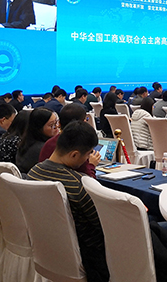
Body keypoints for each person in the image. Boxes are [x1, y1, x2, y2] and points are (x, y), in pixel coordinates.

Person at [27, 121, 109, 282]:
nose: (88, 159)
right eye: (87, 155)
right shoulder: (79, 184)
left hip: (48, 250)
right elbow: (104, 226)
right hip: (90, 257)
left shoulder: (33, 173)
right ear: (74, 155)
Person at [39, 104, 100, 178]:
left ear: (59, 123)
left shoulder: (49, 143)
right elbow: (89, 181)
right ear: (83, 123)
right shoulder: (79, 149)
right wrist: (91, 165)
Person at [16, 108, 58, 174]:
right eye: (51, 125)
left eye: (56, 122)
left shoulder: (26, 142)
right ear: (39, 128)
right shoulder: (44, 148)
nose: (56, 127)